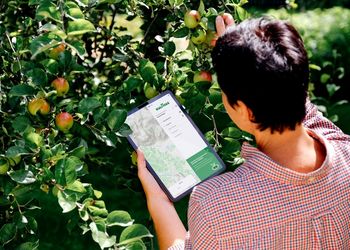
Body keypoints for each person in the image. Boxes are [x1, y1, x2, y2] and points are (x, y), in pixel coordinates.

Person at [136, 14, 350, 249]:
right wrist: (244, 45)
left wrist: (159, 200)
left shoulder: (215, 204)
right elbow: (300, 100)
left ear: (245, 111)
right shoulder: (344, 150)